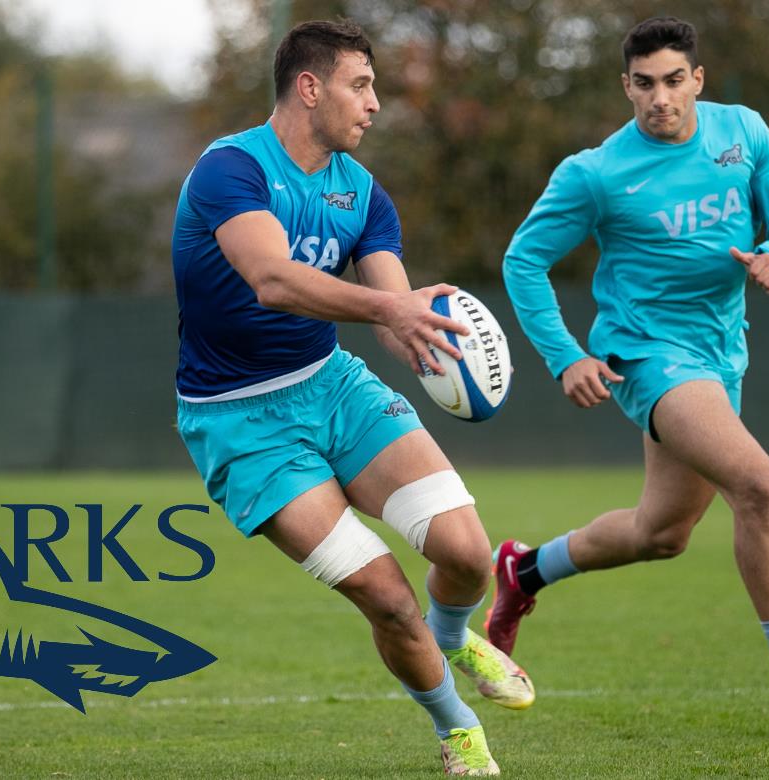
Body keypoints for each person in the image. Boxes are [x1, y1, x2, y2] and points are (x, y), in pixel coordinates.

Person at [171, 20, 531, 776]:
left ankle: (458, 634)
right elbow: (271, 278)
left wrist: (424, 334)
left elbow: (393, 305)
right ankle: (457, 728)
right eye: (360, 85)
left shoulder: (362, 193)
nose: (374, 104)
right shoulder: (229, 170)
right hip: (240, 424)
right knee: (387, 596)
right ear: (310, 87)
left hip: (331, 386)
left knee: (465, 553)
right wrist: (388, 312)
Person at [490, 16, 769, 727]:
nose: (660, 97)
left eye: (673, 80)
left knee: (662, 533)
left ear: (697, 80)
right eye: (644, 84)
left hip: (722, 351)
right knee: (756, 485)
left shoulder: (742, 133)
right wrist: (566, 356)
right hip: (649, 354)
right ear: (625, 87)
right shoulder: (595, 173)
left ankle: (524, 570)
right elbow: (522, 261)